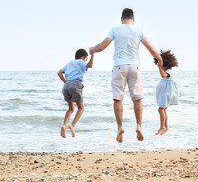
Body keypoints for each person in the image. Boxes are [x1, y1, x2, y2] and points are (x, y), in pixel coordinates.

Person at [89, 8, 162, 143]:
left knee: (118, 99)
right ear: (133, 19)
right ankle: (139, 126)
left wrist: (92, 50)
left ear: (122, 19)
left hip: (119, 66)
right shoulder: (139, 30)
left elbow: (101, 47)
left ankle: (120, 127)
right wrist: (160, 60)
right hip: (135, 66)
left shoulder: (115, 29)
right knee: (137, 99)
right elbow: (151, 49)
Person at [57, 48, 94, 138]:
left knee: (71, 108)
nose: (85, 61)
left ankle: (64, 125)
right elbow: (90, 65)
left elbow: (59, 73)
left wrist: (65, 82)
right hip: (76, 84)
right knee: (81, 109)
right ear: (83, 57)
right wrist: (93, 55)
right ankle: (72, 125)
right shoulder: (80, 61)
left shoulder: (69, 63)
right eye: (86, 58)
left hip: (66, 86)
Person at [153, 50, 179, 135]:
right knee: (163, 110)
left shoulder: (169, 71)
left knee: (161, 109)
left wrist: (159, 67)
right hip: (167, 93)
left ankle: (162, 127)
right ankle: (166, 127)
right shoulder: (170, 71)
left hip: (167, 94)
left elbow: (163, 75)